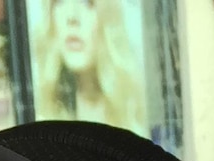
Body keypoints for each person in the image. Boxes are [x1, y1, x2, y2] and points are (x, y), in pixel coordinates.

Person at [33, 0, 143, 130]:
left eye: (86, 2)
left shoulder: (137, 113)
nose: (72, 17)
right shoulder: (37, 119)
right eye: (60, 1)